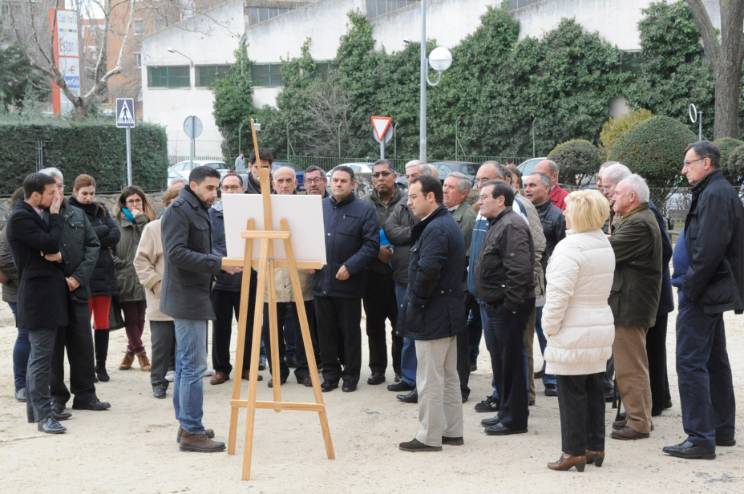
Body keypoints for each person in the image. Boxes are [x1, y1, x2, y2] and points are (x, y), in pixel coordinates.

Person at [663, 141, 743, 460]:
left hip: (703, 292)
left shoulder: (715, 194)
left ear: (706, 163)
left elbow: (709, 250)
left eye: (688, 163)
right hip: (707, 290)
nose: (684, 170)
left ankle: (699, 437)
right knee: (713, 360)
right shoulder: (714, 191)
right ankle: (720, 430)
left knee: (690, 361)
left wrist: (690, 287)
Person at [161, 165, 240, 452]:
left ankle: (187, 424)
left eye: (216, 188)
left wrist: (224, 261)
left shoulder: (197, 208)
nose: (214, 193)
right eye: (209, 187)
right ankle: (192, 431)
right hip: (186, 297)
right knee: (193, 366)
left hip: (194, 294)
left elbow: (202, 249)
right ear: (193, 185)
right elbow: (176, 254)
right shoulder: (179, 210)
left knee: (186, 365)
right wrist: (218, 263)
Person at [542, 190, 615, 472]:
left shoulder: (570, 247)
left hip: (573, 325)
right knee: (594, 387)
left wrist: (549, 326)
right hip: (598, 322)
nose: (564, 212)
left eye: (568, 209)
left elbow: (558, 295)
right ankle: (595, 446)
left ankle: (572, 451)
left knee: (571, 391)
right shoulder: (603, 243)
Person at [398, 175, 465, 452]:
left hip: (433, 312)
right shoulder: (442, 223)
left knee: (429, 378)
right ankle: (452, 431)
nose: (409, 202)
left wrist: (416, 303)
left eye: (414, 197)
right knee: (447, 376)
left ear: (430, 197)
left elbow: (428, 272)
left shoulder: (436, 228)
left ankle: (429, 436)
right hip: (445, 311)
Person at [40, 168, 110, 414]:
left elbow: (93, 245)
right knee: (54, 347)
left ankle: (85, 394)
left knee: (82, 344)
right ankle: (57, 397)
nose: (57, 191)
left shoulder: (77, 214)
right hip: (51, 292)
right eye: (52, 187)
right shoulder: (37, 216)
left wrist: (78, 278)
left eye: (60, 186)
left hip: (78, 289)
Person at [6, 173, 68, 433]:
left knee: (41, 356)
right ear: (35, 194)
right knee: (41, 358)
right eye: (52, 192)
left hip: (46, 295)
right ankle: (44, 416)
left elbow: (55, 250)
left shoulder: (33, 215)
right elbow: (51, 243)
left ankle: (37, 411)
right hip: (37, 297)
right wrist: (55, 215)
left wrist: (57, 255)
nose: (57, 197)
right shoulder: (21, 217)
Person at [475, 180, 534, 436]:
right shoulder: (499, 223)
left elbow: (519, 270)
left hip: (508, 306)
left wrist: (510, 306)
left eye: (485, 196)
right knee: (502, 361)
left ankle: (514, 419)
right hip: (497, 303)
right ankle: (504, 411)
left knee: (511, 363)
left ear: (501, 200)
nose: (480, 201)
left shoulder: (511, 225)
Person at [313, 165, 379, 392]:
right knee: (325, 332)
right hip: (321, 281)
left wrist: (351, 266)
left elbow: (371, 245)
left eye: (343, 181)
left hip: (348, 283)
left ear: (353, 185)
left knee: (349, 332)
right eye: (335, 180)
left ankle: (350, 376)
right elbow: (308, 237)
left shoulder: (365, 210)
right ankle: (330, 375)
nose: (338, 184)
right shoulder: (320, 207)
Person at [608, 174, 661, 440]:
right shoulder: (635, 218)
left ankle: (638, 422)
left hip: (629, 305)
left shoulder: (639, 222)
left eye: (617, 193)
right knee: (631, 364)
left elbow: (608, 251)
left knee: (630, 366)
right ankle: (638, 417)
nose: (612, 196)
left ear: (632, 197)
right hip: (628, 301)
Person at [383, 161, 438, 403]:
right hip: (402, 277)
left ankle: (421, 382)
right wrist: (413, 233)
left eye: (416, 176)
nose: (410, 180)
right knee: (406, 328)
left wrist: (409, 234)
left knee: (421, 333)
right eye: (409, 177)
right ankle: (408, 376)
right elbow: (390, 229)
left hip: (422, 282)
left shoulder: (436, 214)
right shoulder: (405, 203)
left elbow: (422, 232)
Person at [261, 166, 318, 387]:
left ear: (296, 183)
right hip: (272, 277)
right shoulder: (264, 206)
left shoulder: (306, 206)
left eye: (288, 180)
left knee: (304, 328)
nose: (284, 185)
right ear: (273, 183)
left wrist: (313, 262)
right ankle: (277, 371)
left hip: (301, 276)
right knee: (271, 329)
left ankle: (304, 370)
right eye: (280, 181)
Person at [69, 174, 121, 382]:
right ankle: (86, 367)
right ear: (75, 192)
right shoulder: (69, 211)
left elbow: (115, 234)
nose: (88, 197)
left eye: (91, 193)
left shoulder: (101, 210)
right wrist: (100, 233)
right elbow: (78, 239)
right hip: (83, 275)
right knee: (82, 327)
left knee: (102, 324)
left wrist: (93, 236)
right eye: (84, 193)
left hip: (104, 274)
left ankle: (101, 366)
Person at [208, 173, 259, 386]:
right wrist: (224, 263)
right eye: (226, 187)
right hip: (220, 279)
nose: (230, 191)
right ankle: (221, 369)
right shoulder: (211, 215)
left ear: (242, 188)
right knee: (220, 327)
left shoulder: (253, 212)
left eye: (234, 187)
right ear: (221, 190)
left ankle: (246, 366)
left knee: (249, 326)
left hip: (249, 277)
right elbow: (207, 244)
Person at [134, 184, 182, 399]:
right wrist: (156, 284)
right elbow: (141, 261)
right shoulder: (153, 228)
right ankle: (158, 381)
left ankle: (185, 381)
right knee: (161, 344)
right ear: (166, 205)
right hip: (161, 296)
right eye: (173, 204)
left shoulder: (191, 227)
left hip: (186, 296)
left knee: (186, 344)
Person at [523, 172, 566, 397]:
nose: (527, 189)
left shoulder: (557, 216)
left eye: (533, 185)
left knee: (545, 329)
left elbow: (562, 247)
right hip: (529, 279)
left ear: (547, 189)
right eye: (526, 185)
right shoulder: (522, 211)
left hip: (548, 281)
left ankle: (552, 378)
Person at [363, 159, 405, 385]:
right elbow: (359, 235)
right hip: (372, 274)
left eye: (385, 174)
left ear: (394, 176)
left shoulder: (407, 202)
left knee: (400, 326)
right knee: (374, 326)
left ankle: (400, 370)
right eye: (376, 175)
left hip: (399, 274)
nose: (380, 178)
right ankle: (377, 369)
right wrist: (375, 251)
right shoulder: (364, 204)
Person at [443, 171, 477, 402]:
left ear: (464, 194)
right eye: (445, 186)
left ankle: (460, 387)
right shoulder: (445, 211)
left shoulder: (467, 217)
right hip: (447, 286)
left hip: (458, 286)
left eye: (451, 187)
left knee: (458, 340)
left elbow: (465, 256)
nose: (445, 190)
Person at [114, 186, 156, 371]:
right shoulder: (116, 222)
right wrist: (120, 264)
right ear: (124, 204)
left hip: (145, 275)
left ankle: (130, 353)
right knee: (130, 318)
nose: (135, 204)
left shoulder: (149, 222)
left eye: (138, 200)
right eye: (130, 201)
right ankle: (141, 354)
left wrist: (141, 221)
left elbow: (150, 244)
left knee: (140, 318)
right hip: (124, 276)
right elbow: (108, 248)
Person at [1, 188, 24, 402]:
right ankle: (21, 384)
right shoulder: (11, 227)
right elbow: (4, 259)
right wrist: (29, 276)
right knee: (25, 334)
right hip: (17, 291)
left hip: (23, 288)